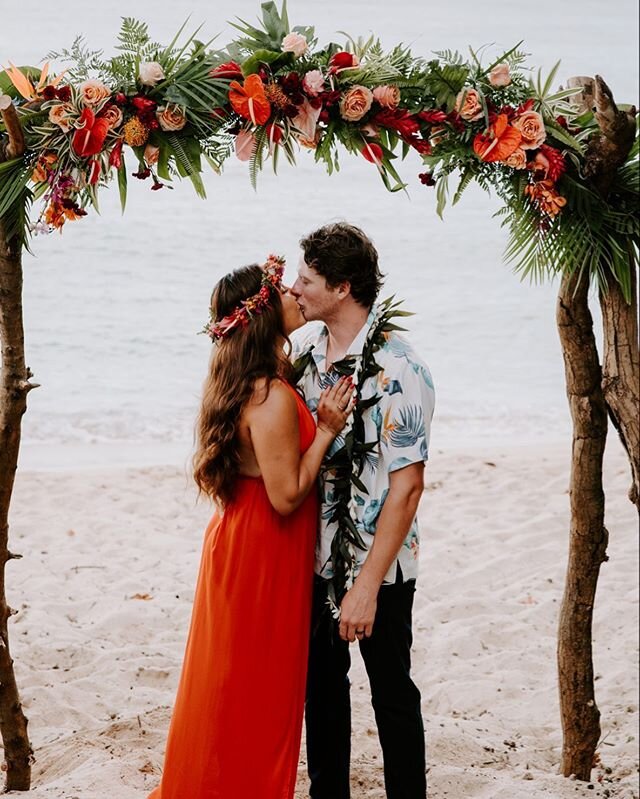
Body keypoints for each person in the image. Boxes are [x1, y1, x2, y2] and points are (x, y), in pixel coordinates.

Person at [148, 255, 354, 799]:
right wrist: (328, 430)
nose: (293, 293)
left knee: (228, 680)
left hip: (238, 537)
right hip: (266, 546)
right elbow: (286, 496)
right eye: (281, 290)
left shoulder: (246, 382)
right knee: (259, 687)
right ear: (262, 314)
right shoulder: (270, 396)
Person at [291, 223, 435, 799]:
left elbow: (407, 488)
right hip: (315, 556)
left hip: (381, 564)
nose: (294, 288)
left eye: (306, 279)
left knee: (391, 691)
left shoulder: (400, 369)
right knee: (320, 693)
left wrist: (367, 587)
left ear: (342, 286)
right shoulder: (305, 357)